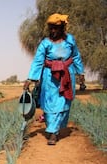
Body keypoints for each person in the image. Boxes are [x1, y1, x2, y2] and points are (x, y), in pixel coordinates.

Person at [23, 13, 85, 145]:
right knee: (50, 105)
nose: (53, 31)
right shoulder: (45, 44)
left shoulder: (70, 41)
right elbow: (38, 61)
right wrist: (30, 79)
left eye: (56, 28)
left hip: (67, 76)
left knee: (63, 103)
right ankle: (52, 132)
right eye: (51, 28)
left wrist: (81, 74)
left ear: (62, 28)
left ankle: (55, 130)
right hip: (49, 77)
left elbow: (76, 57)